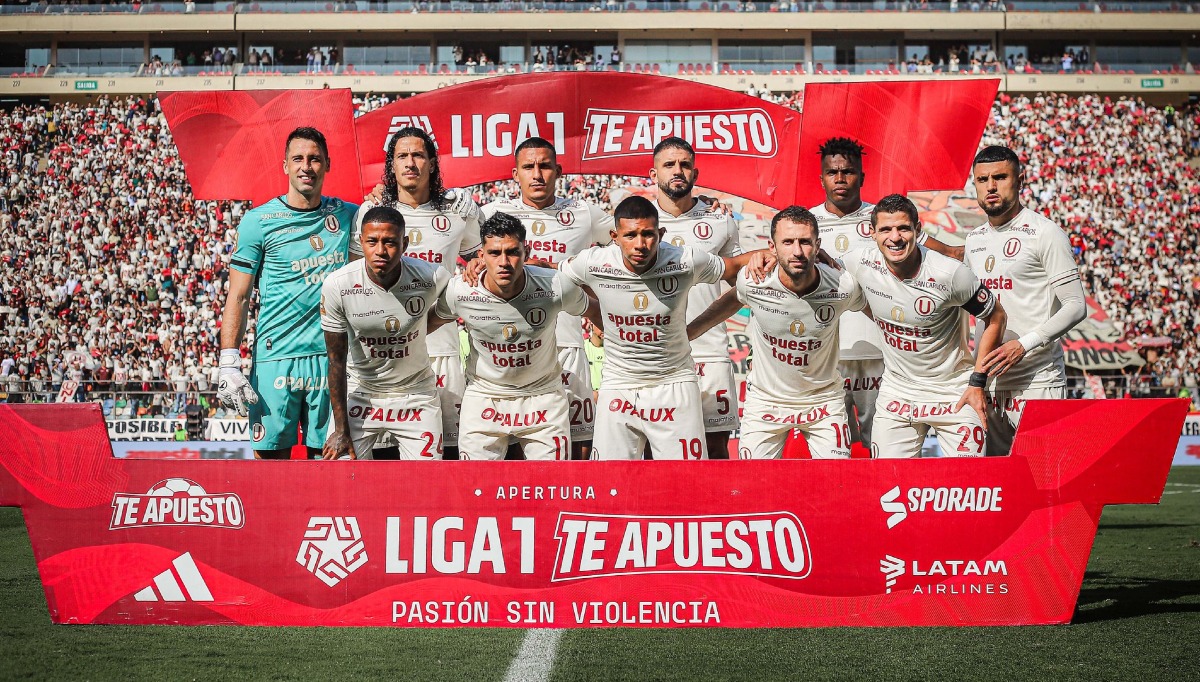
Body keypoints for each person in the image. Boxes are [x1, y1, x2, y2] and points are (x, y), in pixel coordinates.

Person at [558, 196, 770, 460]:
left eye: (648, 234)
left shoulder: (684, 260)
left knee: (686, 482)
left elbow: (734, 266)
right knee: (612, 482)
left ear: (661, 233)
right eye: (630, 235)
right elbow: (553, 279)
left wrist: (779, 253)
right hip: (619, 383)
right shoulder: (592, 262)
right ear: (614, 236)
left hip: (674, 383)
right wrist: (597, 313)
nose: (640, 244)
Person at [810, 136, 963, 453]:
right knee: (833, 451)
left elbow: (932, 250)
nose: (841, 179)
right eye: (832, 172)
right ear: (822, 177)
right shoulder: (807, 224)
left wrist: (962, 249)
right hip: (828, 356)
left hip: (882, 356)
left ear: (862, 177)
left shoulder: (882, 220)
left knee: (880, 448)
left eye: (849, 172)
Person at [218, 127, 357, 459]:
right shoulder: (258, 221)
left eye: (314, 159)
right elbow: (237, 296)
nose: (306, 166)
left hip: (330, 359)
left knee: (328, 463)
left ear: (327, 165)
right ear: (285, 165)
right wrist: (228, 362)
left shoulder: (350, 215)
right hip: (275, 358)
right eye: (298, 159)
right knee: (270, 465)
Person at [687, 207, 864, 459]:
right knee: (753, 487)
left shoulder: (842, 285)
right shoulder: (754, 281)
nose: (797, 251)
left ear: (818, 245)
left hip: (823, 402)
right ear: (772, 246)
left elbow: (872, 308)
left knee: (835, 485)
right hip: (766, 402)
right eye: (788, 242)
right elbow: (732, 300)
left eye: (805, 242)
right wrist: (688, 333)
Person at [841, 194, 1007, 458]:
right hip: (898, 392)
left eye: (903, 228)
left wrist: (977, 382)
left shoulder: (950, 273)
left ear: (918, 231)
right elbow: (817, 268)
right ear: (872, 233)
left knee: (967, 487)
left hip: (953, 391)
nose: (894, 237)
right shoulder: (860, 262)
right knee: (887, 484)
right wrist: (762, 259)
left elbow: (996, 316)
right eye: (885, 229)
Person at [479, 137, 614, 459]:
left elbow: (632, 242)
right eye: (529, 167)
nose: (537, 174)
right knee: (510, 448)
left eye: (544, 166)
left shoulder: (584, 213)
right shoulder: (489, 214)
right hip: (510, 350)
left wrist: (701, 202)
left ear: (559, 171)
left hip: (567, 346)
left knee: (580, 444)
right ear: (515, 174)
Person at [354, 126, 482, 459]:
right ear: (391, 166)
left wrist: (473, 263)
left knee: (448, 458)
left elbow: (485, 259)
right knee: (383, 463)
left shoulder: (457, 211)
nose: (411, 163)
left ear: (432, 163)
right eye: (402, 156)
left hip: (442, 352)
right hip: (385, 358)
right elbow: (356, 283)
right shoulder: (371, 215)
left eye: (419, 155)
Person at [436, 213, 600, 461]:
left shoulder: (555, 285)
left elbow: (598, 312)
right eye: (494, 253)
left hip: (543, 397)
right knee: (478, 491)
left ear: (527, 251)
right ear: (481, 256)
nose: (504, 262)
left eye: (512, 252)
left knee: (550, 490)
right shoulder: (460, 291)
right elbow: (425, 324)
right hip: (485, 397)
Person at [965, 145, 1086, 455]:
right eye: (982, 179)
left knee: (1044, 482)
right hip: (990, 382)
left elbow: (1076, 305)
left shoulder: (1045, 233)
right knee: (996, 489)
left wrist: (1024, 345)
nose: (990, 186)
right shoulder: (974, 239)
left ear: (1020, 180)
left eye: (1000, 177)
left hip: (1038, 380)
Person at [321, 206, 452, 460]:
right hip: (361, 392)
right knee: (339, 476)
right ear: (361, 242)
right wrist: (340, 430)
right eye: (372, 241)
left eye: (390, 242)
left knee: (426, 484)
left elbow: (462, 297)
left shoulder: (431, 276)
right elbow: (335, 360)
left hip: (415, 392)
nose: (380, 251)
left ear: (405, 243)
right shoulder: (338, 285)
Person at [650, 136, 742, 459]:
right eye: (669, 165)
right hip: (655, 356)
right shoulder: (637, 223)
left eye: (685, 165)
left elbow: (739, 283)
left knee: (716, 446)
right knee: (654, 446)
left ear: (695, 174)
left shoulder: (720, 219)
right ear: (653, 175)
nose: (678, 171)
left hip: (709, 352)